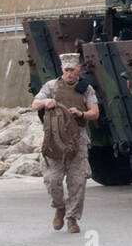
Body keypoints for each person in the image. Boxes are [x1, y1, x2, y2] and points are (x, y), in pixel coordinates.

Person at [31, 52, 100, 233]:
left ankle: (72, 218)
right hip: (54, 138)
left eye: (73, 70)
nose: (69, 73)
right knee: (52, 179)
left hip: (78, 139)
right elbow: (34, 104)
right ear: (62, 69)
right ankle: (59, 207)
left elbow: (95, 112)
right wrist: (47, 101)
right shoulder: (51, 86)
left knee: (77, 181)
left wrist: (81, 114)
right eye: (66, 70)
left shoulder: (86, 89)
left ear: (78, 69)